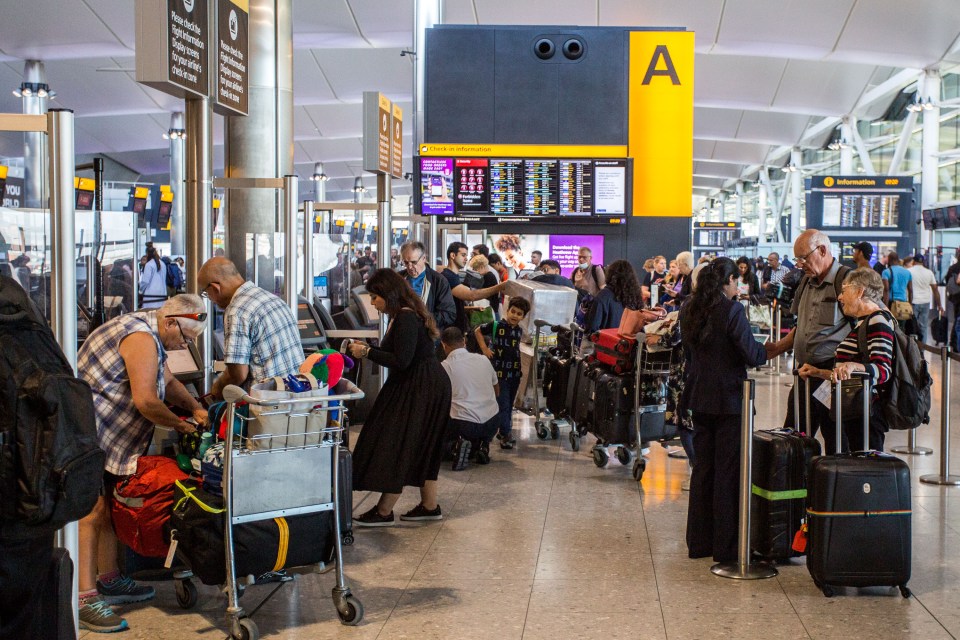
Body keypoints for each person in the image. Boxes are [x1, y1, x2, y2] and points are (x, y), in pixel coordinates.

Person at [76, 296, 210, 633]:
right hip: (90, 432)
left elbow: (170, 383)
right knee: (91, 512)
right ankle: (83, 598)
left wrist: (195, 407)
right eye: (187, 337)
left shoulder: (149, 330)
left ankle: (109, 579)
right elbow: (147, 399)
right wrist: (181, 425)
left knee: (106, 506)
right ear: (171, 322)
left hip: (108, 436)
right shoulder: (139, 336)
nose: (186, 344)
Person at [346, 269, 452, 526]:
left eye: (375, 297)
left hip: (418, 386)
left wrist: (366, 352)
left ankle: (384, 511)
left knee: (400, 442)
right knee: (422, 444)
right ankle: (429, 506)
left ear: (388, 294)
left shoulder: (405, 318)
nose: (372, 303)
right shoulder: (409, 314)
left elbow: (401, 361)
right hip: (428, 384)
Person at [680, 257, 766, 563]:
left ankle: (699, 543)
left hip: (699, 397)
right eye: (736, 281)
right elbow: (753, 354)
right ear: (728, 280)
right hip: (730, 400)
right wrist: (780, 345)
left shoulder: (689, 307)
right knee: (728, 473)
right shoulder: (732, 310)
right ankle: (725, 546)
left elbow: (689, 353)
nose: (738, 286)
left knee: (704, 469)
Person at [797, 268, 894, 452]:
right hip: (857, 410)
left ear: (859, 291)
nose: (840, 297)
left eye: (844, 291)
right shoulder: (864, 321)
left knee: (865, 469)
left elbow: (883, 371)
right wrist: (819, 372)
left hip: (868, 413)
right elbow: (851, 374)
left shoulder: (878, 320)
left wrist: (853, 365)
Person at [766, 230, 851, 440]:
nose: (799, 264)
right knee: (794, 438)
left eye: (803, 258)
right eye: (797, 259)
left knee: (836, 441)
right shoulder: (806, 282)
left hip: (831, 378)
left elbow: (865, 328)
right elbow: (802, 326)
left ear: (822, 250)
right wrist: (777, 348)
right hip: (803, 374)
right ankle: (799, 474)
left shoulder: (847, 281)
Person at [197, 257, 303, 398]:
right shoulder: (272, 299)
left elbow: (238, 374)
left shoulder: (237, 311)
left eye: (206, 293)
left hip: (268, 406)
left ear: (215, 287)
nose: (209, 298)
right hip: (298, 398)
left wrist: (215, 390)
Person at [440, 327, 500, 470]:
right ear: (464, 341)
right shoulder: (483, 360)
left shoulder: (445, 366)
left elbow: (439, 399)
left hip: (464, 425)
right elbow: (497, 391)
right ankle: (483, 446)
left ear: (444, 345)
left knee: (437, 441)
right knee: (477, 424)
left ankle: (455, 446)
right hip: (492, 422)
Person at [475, 297, 531, 450]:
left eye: (519, 314)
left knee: (508, 404)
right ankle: (506, 434)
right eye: (512, 311)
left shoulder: (519, 331)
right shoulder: (496, 325)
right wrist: (484, 349)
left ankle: (503, 430)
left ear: (523, 317)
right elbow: (478, 331)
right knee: (503, 404)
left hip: (514, 374)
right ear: (507, 310)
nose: (514, 315)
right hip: (499, 374)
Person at [441, 242, 506, 331]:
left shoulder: (453, 276)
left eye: (466, 255)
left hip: (458, 326)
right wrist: (500, 287)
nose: (466, 258)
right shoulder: (448, 276)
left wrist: (473, 308)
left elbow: (457, 305)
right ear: (453, 255)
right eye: (463, 255)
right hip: (452, 328)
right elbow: (471, 295)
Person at [399, 241, 456, 331]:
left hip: (428, 335)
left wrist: (423, 320)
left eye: (414, 262)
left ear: (424, 258)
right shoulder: (398, 279)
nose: (410, 267)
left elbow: (449, 314)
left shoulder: (439, 281)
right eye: (406, 263)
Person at [585, 260, 643, 333]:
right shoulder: (636, 296)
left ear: (610, 275)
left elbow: (592, 327)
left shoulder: (603, 296)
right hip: (629, 342)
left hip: (606, 342)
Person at [906, 254, 941, 342]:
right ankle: (922, 349)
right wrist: (939, 305)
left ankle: (913, 348)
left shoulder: (909, 271)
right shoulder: (929, 272)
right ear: (923, 262)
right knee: (923, 327)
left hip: (913, 301)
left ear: (914, 261)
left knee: (912, 326)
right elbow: (935, 290)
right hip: (925, 302)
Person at [881, 251, 913, 328]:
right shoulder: (907, 272)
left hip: (892, 303)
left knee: (890, 328)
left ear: (889, 259)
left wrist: (885, 306)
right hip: (903, 304)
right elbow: (910, 290)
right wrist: (910, 304)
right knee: (901, 329)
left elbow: (886, 290)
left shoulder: (886, 272)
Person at [468, 254, 501, 318]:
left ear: (481, 267)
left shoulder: (488, 277)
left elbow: (482, 295)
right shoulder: (489, 275)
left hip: (489, 312)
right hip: (490, 310)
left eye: (475, 269)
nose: (475, 271)